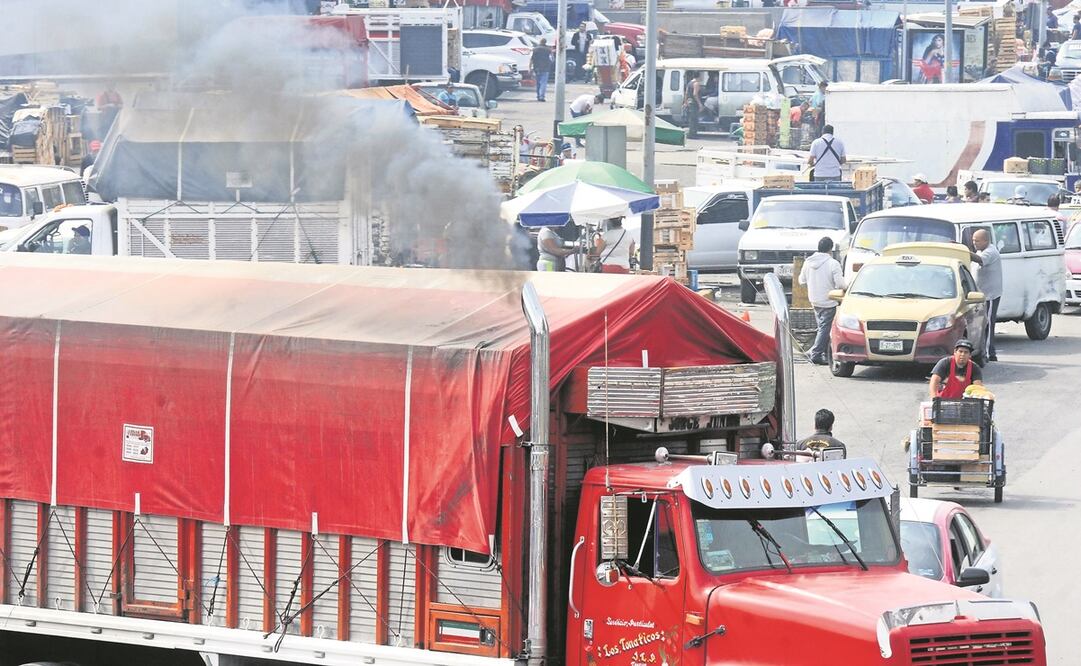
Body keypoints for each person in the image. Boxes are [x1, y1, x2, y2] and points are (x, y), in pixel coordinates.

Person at [799, 236, 845, 365]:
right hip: (829, 300)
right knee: (824, 328)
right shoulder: (833, 263)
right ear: (830, 249)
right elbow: (841, 284)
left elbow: (801, 280)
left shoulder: (808, 262)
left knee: (821, 327)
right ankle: (816, 354)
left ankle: (822, 351)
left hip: (814, 299)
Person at [970, 228, 1002, 361]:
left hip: (990, 295)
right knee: (980, 324)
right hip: (980, 295)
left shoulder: (990, 251)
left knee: (988, 323)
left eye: (977, 241)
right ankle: (981, 350)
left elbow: (980, 260)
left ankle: (990, 353)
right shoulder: (980, 250)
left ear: (985, 241)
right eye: (973, 240)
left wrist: (962, 250)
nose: (974, 243)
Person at [683, 71, 705, 138]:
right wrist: (700, 104)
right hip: (694, 103)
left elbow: (686, 93)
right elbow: (695, 94)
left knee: (691, 119)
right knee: (694, 119)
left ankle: (691, 133)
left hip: (690, 102)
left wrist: (685, 102)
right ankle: (693, 134)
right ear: (699, 76)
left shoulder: (690, 83)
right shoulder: (696, 83)